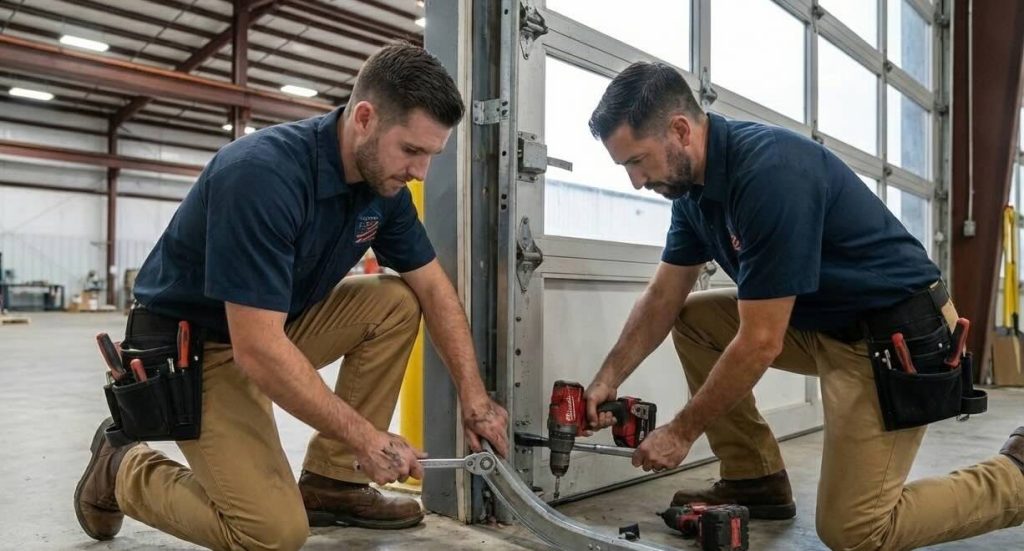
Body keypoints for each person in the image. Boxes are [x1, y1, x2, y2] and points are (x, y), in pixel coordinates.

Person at [74, 43, 508, 550]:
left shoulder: (380, 189)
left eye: (432, 155)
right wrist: (367, 438)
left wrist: (476, 401)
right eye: (412, 150)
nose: (420, 172)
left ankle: (332, 484)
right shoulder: (261, 175)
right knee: (270, 534)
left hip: (269, 328)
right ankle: (121, 465)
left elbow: (434, 288)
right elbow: (256, 350)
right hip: (195, 352)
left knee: (396, 300)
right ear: (364, 118)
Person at [582, 61, 1024, 550]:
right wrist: (608, 377)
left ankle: (1018, 480)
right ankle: (756, 480)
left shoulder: (768, 174)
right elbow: (664, 296)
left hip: (893, 340)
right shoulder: (693, 193)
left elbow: (760, 342)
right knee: (695, 320)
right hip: (824, 325)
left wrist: (681, 432)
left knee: (856, 531)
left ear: (680, 131)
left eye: (637, 162)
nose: (636, 182)